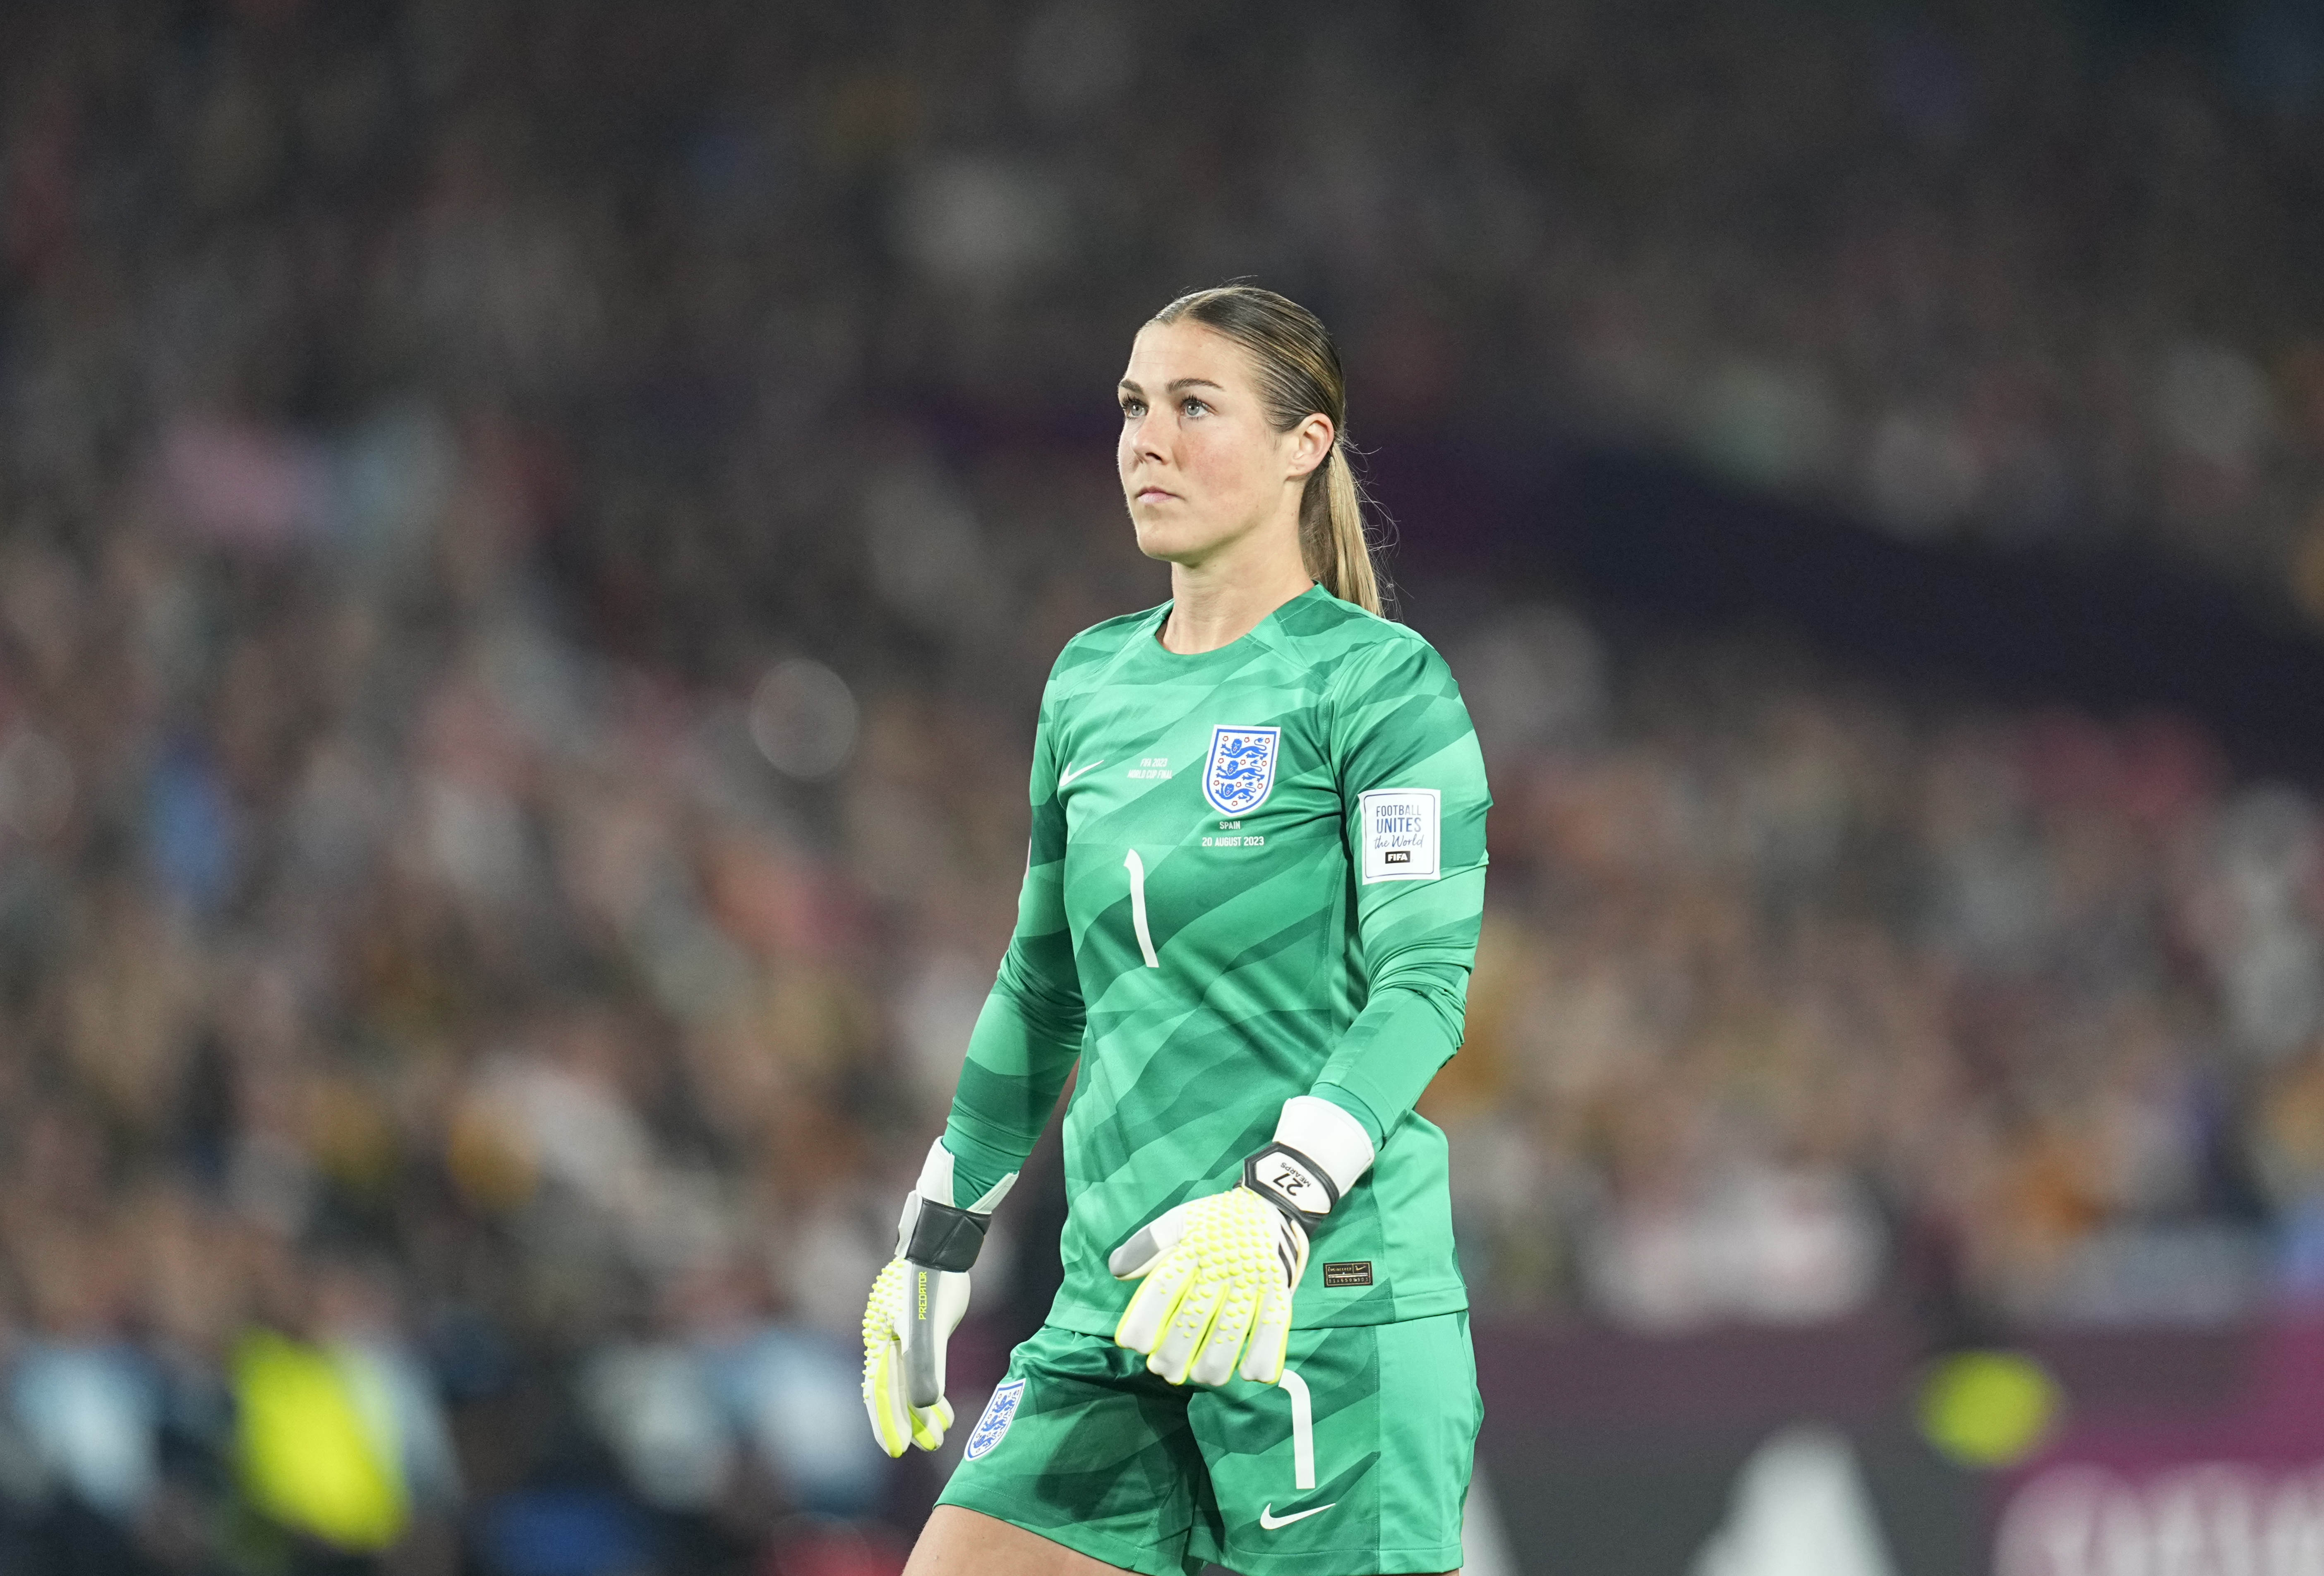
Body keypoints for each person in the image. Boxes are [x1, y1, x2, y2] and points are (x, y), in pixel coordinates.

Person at [861, 285, 1489, 1576]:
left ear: (1304, 444)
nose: (1147, 440)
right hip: (1115, 1307)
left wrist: (1277, 1200)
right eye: (1133, 407)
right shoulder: (1090, 681)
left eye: (1194, 406)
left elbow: (1423, 984)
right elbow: (1043, 986)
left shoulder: (1381, 684)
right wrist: (937, 1231)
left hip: (1324, 1305)